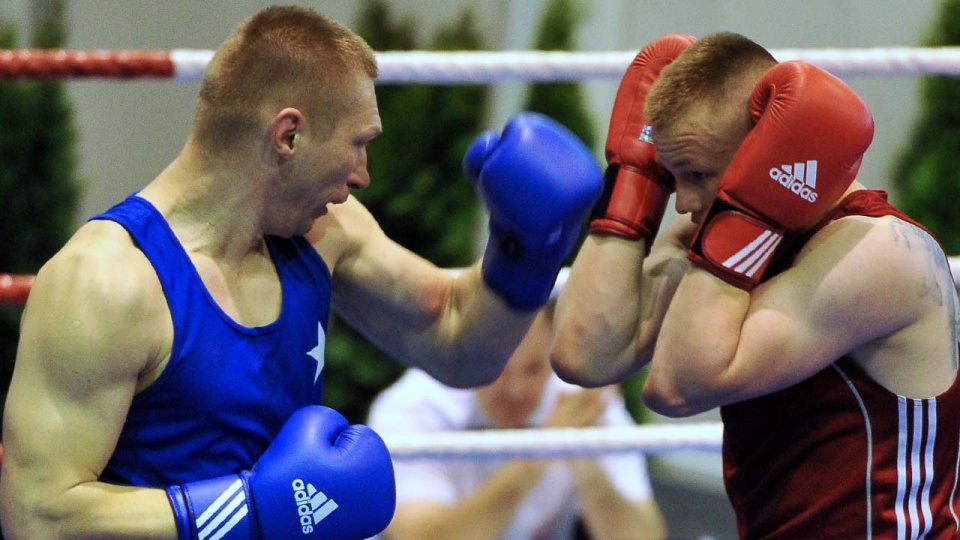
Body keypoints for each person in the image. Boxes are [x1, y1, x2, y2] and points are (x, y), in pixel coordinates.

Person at [0, 6, 603, 540]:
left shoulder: (324, 231)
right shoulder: (108, 281)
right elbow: (39, 516)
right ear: (289, 134)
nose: (363, 174)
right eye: (358, 143)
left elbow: (458, 342)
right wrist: (250, 510)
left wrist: (525, 250)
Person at [551, 31, 960, 538]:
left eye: (698, 174)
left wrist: (745, 209)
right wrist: (631, 184)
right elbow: (585, 354)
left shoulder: (878, 254)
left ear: (765, 151)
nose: (681, 202)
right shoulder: (719, 237)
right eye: (669, 174)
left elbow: (676, 386)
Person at [367, 301, 667, 540]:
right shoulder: (415, 406)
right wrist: (539, 453)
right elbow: (418, 537)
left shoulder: (580, 404)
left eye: (534, 368)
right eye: (497, 368)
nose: (516, 390)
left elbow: (644, 536)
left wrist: (585, 461)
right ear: (467, 353)